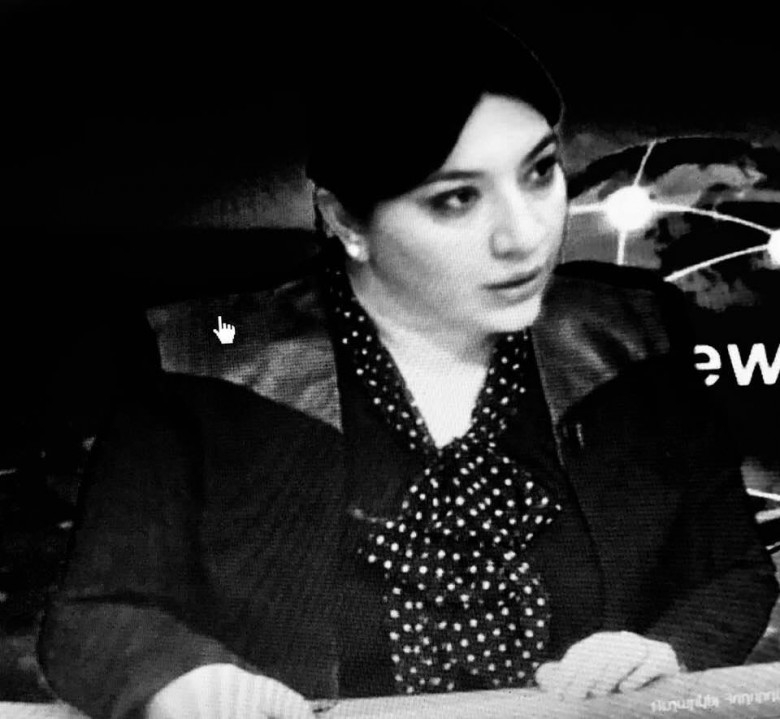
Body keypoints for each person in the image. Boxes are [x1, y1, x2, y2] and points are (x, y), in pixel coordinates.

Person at [39, 6, 779, 718]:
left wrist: (664, 650)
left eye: (539, 172)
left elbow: (733, 572)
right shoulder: (200, 364)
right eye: (456, 199)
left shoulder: (635, 338)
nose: (523, 235)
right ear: (344, 219)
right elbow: (93, 614)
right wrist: (185, 679)